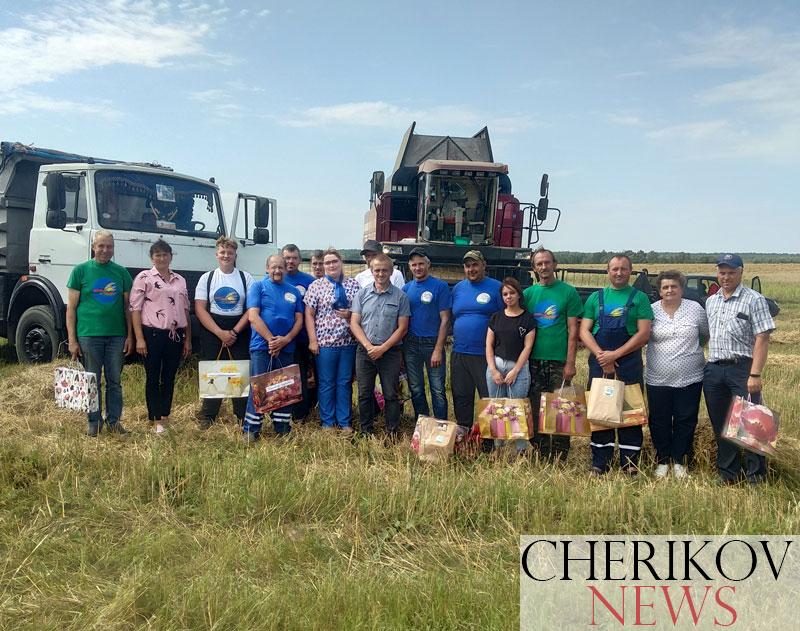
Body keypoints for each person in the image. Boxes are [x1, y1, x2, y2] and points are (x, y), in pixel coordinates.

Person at [703, 253, 775, 485]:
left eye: (731, 272)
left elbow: (762, 337)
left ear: (741, 272)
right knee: (721, 424)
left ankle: (756, 477)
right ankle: (728, 473)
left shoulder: (754, 300)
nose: (726, 277)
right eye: (722, 272)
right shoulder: (711, 301)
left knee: (752, 423)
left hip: (742, 369)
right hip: (714, 369)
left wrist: (755, 374)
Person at [580, 254, 653, 476]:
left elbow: (644, 334)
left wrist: (615, 355)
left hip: (629, 363)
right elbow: (584, 331)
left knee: (630, 412)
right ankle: (600, 462)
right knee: (600, 410)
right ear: (608, 271)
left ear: (630, 271)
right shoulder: (596, 298)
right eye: (615, 269)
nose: (619, 273)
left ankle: (629, 463)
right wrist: (601, 355)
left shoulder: (640, 298)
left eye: (623, 269)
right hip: (599, 362)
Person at [66, 230, 134, 436]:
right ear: (93, 247)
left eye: (109, 246)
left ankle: (114, 422)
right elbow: (71, 309)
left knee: (114, 382)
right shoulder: (80, 271)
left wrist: (130, 336)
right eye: (101, 246)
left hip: (116, 336)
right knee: (92, 381)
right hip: (88, 335)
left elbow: (128, 308)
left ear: (113, 249)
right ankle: (94, 422)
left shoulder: (121, 273)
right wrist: (72, 340)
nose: (105, 250)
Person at [645, 270, 709, 478]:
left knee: (686, 419)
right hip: (657, 378)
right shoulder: (651, 310)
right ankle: (663, 460)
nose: (669, 290)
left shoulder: (695, 309)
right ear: (659, 291)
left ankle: (681, 461)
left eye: (674, 286)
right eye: (665, 287)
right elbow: (643, 336)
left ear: (682, 289)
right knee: (659, 420)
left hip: (691, 377)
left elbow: (704, 335)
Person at [522, 248, 583, 461]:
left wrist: (570, 362)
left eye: (547, 262)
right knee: (535, 405)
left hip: (559, 360)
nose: (543, 267)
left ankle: (559, 454)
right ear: (534, 268)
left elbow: (573, 331)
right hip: (534, 360)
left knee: (561, 406)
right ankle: (541, 450)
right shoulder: (528, 295)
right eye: (539, 264)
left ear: (554, 264)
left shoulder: (568, 292)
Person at [130, 240, 191, 433]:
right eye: (158, 255)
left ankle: (165, 415)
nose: (162, 258)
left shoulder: (180, 280)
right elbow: (135, 309)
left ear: (171, 256)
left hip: (175, 334)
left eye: (165, 254)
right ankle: (154, 418)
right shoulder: (144, 277)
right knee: (153, 376)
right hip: (153, 334)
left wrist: (188, 339)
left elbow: (185, 309)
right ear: (152, 258)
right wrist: (139, 338)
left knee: (169, 376)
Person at [195, 236, 254, 428]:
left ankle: (242, 416)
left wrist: (234, 332)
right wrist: (220, 333)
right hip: (213, 329)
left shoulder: (246, 278)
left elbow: (251, 309)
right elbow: (200, 309)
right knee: (213, 373)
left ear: (235, 255)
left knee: (239, 374)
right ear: (216, 254)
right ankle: (208, 416)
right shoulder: (207, 278)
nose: (226, 255)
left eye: (230, 252)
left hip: (239, 329)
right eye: (222, 252)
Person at [243, 254, 304, 441]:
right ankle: (251, 430)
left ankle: (282, 428)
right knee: (259, 388)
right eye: (273, 267)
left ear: (285, 269)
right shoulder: (258, 287)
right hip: (262, 347)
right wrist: (271, 340)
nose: (277, 270)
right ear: (267, 268)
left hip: (286, 347)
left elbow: (299, 320)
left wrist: (285, 340)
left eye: (280, 267)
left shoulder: (293, 291)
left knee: (284, 387)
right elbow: (253, 316)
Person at [350, 253, 410, 437]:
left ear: (391, 272)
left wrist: (382, 349)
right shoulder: (362, 294)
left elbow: (403, 328)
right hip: (365, 351)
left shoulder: (401, 297)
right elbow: (354, 323)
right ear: (371, 271)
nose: (381, 274)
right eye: (377, 270)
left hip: (390, 352)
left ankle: (392, 431)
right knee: (364, 393)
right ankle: (366, 430)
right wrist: (369, 347)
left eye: (385, 270)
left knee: (391, 393)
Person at [304, 248, 361, 432]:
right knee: (327, 382)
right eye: (327, 262)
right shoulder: (316, 286)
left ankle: (344, 421)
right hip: (325, 343)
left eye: (334, 261)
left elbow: (360, 311)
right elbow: (309, 314)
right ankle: (328, 421)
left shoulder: (353, 285)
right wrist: (313, 340)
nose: (331, 265)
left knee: (344, 382)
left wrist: (349, 315)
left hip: (348, 342)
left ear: (341, 262)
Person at [450, 250, 503, 439]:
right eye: (467, 266)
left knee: (487, 396)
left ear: (483, 265)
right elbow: (452, 317)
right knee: (461, 394)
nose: (471, 269)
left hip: (485, 354)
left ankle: (487, 437)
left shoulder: (497, 288)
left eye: (475, 265)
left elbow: (505, 318)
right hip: (459, 351)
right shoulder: (458, 289)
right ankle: (463, 433)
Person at [486, 277, 536, 451]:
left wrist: (515, 371)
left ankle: (520, 449)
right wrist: (493, 370)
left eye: (512, 293)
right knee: (497, 407)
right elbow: (489, 345)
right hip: (497, 365)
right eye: (505, 294)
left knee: (517, 409)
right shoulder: (496, 317)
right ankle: (498, 447)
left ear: (519, 294)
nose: (508, 297)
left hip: (518, 367)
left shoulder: (528, 319)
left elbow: (528, 347)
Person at [402, 247, 451, 420]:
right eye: (414, 265)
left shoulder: (440, 286)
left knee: (437, 389)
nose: (418, 268)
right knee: (416, 388)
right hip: (411, 344)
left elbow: (445, 319)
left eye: (421, 264)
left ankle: (441, 425)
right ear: (409, 266)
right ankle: (422, 424)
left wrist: (438, 349)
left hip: (432, 344)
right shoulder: (406, 289)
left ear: (428, 264)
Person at [282, 243, 317, 421]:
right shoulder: (275, 278)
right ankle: (282, 411)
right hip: (282, 339)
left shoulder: (309, 281)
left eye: (294, 258)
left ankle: (302, 413)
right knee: (285, 376)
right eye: (287, 258)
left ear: (299, 260)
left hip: (303, 338)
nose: (290, 261)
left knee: (303, 376)